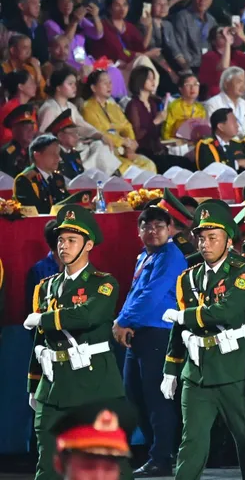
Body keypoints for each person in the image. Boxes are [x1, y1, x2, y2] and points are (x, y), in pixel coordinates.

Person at [160, 202, 245, 480]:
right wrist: (171, 369)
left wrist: (184, 315)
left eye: (212, 237)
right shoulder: (188, 278)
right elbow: (179, 329)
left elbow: (226, 311)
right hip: (196, 372)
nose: (205, 244)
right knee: (191, 440)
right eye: (201, 237)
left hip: (233, 370)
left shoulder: (240, 272)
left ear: (228, 240)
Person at [24, 204, 126, 480]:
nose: (64, 246)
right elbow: (40, 341)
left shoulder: (103, 283)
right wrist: (34, 384)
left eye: (71, 240)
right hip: (53, 386)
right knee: (47, 464)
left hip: (91, 383)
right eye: (60, 240)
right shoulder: (46, 287)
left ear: (88, 245)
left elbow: (87, 315)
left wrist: (44, 318)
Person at [111, 205, 187, 477]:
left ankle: (162, 457)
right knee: (135, 395)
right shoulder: (145, 256)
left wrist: (123, 320)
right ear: (139, 231)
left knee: (156, 398)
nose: (153, 231)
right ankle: (157, 452)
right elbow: (135, 292)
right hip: (140, 332)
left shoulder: (170, 256)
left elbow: (152, 295)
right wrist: (123, 320)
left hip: (159, 332)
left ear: (170, 229)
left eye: (159, 226)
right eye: (147, 226)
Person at [38, 69, 121, 176]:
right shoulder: (49, 108)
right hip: (62, 151)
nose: (74, 87)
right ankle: (85, 175)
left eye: (75, 84)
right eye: (70, 84)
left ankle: (109, 176)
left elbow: (83, 126)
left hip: (76, 146)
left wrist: (100, 135)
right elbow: (43, 137)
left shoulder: (71, 107)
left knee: (99, 145)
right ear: (58, 87)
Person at [80, 70, 156, 174]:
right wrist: (123, 142)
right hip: (108, 155)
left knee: (149, 165)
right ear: (93, 88)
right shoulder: (87, 108)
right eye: (105, 83)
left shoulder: (113, 106)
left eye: (110, 82)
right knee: (131, 171)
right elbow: (100, 133)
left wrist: (130, 144)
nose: (109, 86)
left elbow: (127, 126)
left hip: (123, 151)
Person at [13, 133, 68, 214]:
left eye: (58, 153)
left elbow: (67, 202)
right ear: (37, 155)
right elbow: (32, 214)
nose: (59, 158)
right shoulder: (25, 180)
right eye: (53, 153)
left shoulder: (58, 177)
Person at [203, 67, 245, 137]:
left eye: (244, 83)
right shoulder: (213, 104)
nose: (243, 86)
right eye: (239, 82)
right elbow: (211, 132)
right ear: (226, 84)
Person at [162, 74, 205, 140]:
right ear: (181, 89)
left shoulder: (200, 108)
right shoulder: (174, 106)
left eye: (195, 84)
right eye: (188, 85)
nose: (192, 88)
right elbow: (166, 133)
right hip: (176, 143)